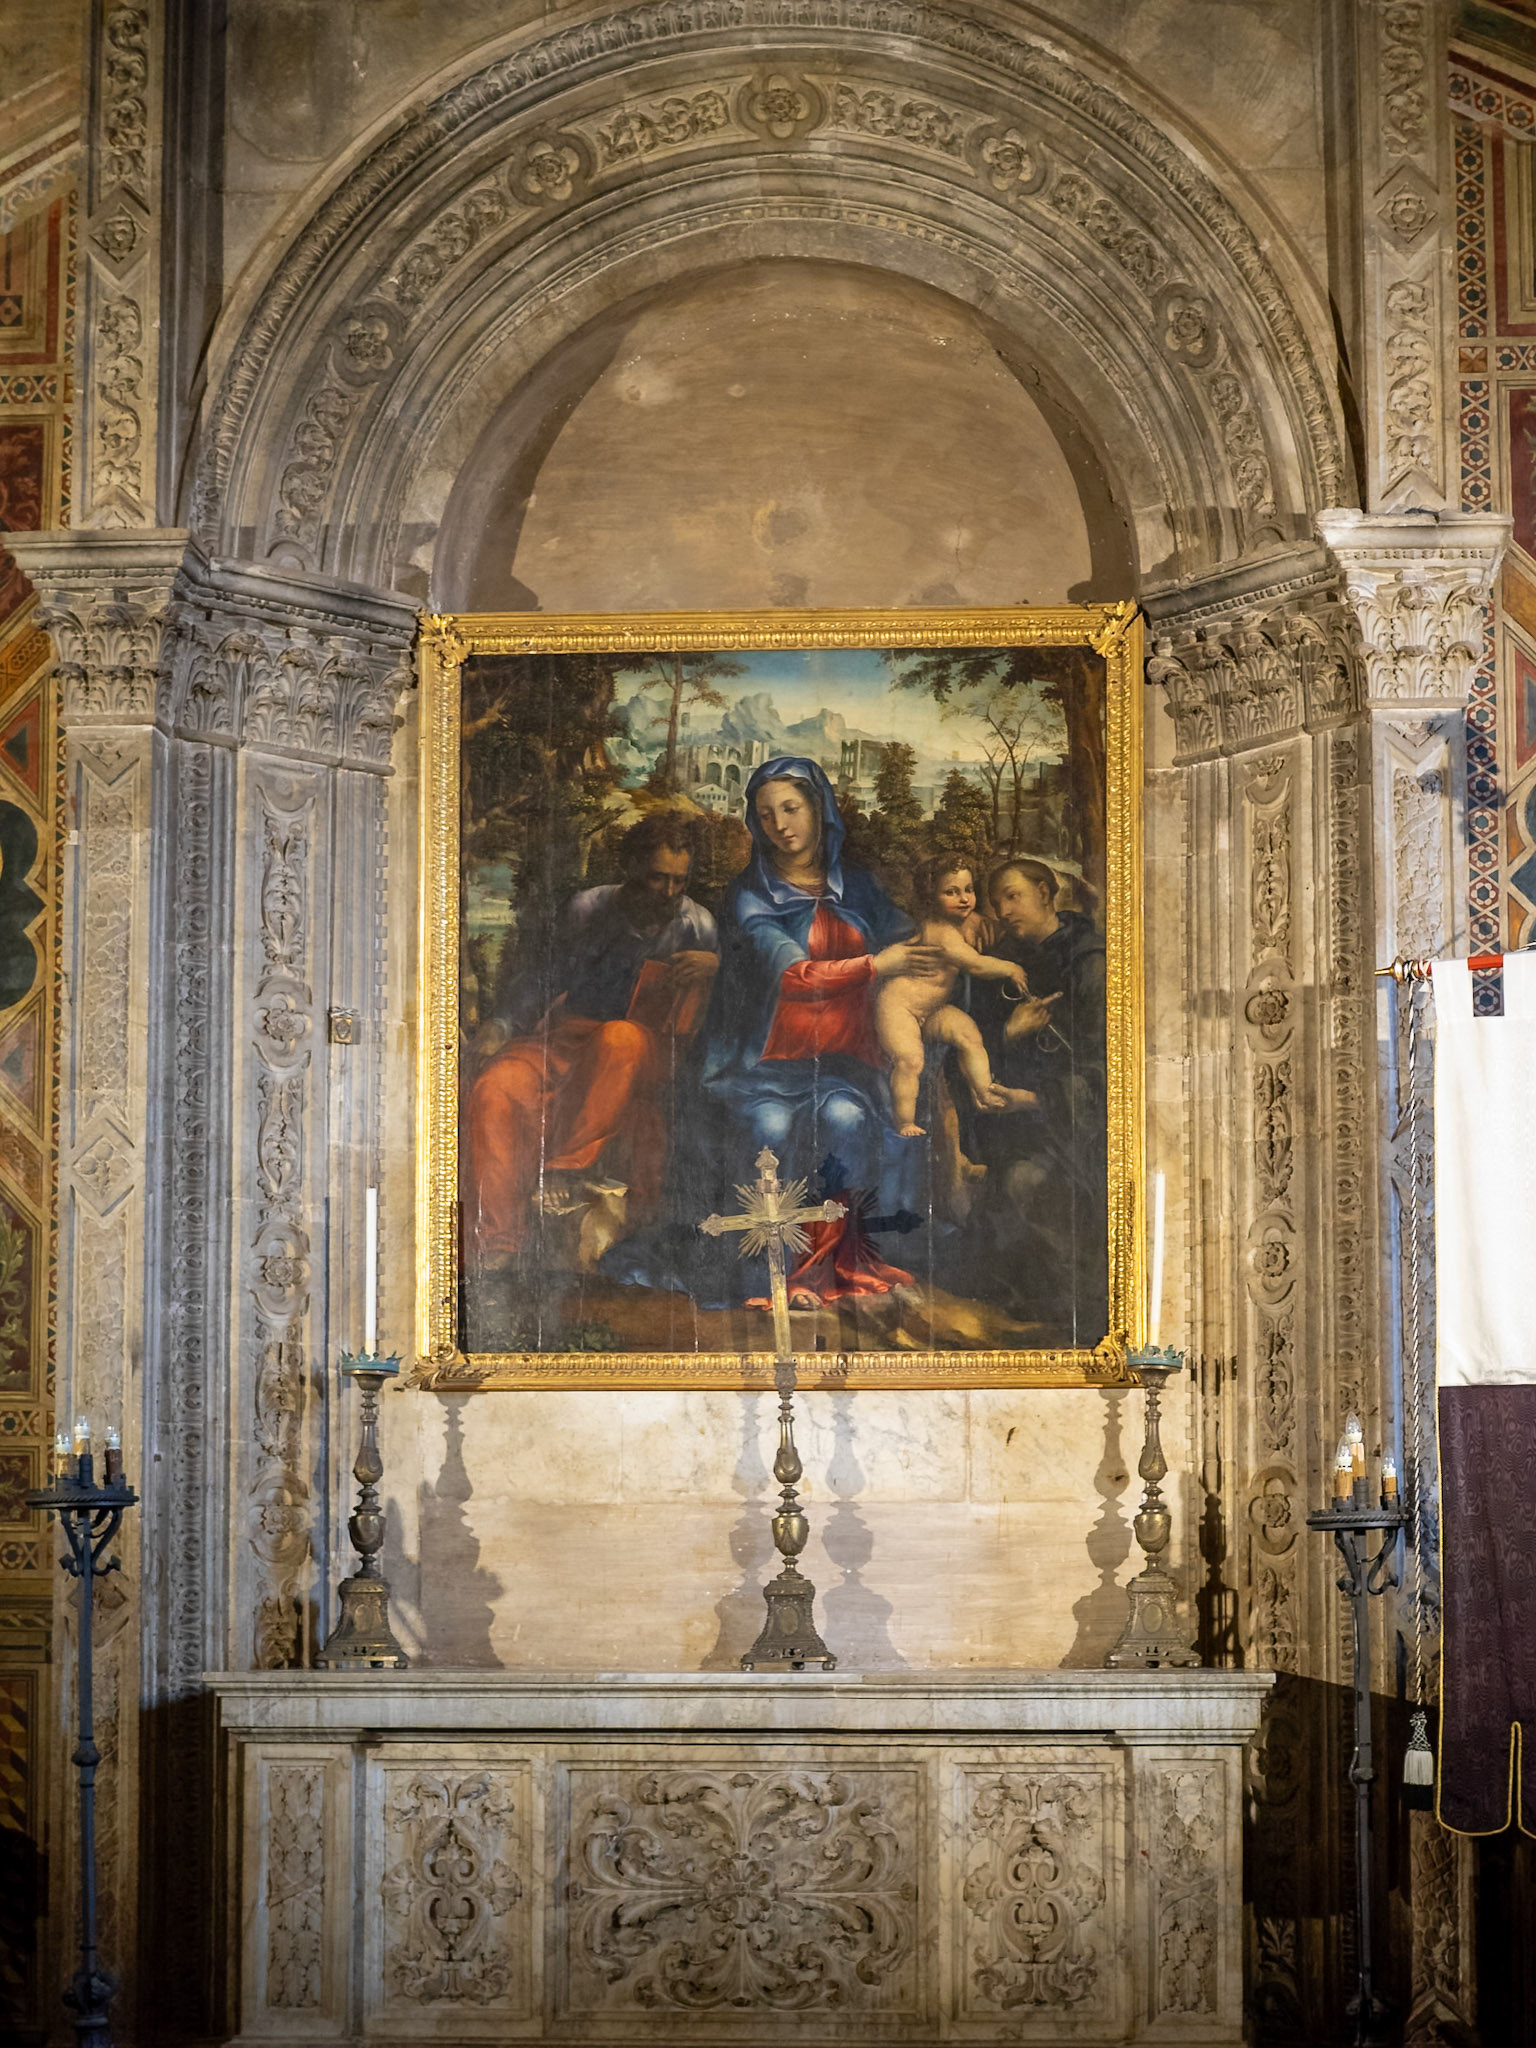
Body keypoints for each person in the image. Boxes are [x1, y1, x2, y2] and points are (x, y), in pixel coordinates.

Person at [613, 756, 944, 1309]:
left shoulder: (859, 888)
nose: (780, 825)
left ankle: (827, 1270)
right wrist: (876, 966)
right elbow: (795, 977)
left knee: (847, 1118)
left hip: (841, 1062)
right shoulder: (752, 895)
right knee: (769, 1126)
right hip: (761, 1064)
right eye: (765, 816)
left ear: (819, 809)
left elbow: (916, 950)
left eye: (791, 809)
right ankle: (765, 1277)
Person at [462, 814, 718, 1272]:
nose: (669, 892)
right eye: (658, 878)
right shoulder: (588, 908)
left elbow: (714, 1019)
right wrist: (501, 1025)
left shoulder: (697, 925)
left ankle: (565, 1167)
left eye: (679, 881)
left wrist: (714, 968)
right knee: (496, 1087)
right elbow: (545, 976)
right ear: (631, 869)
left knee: (619, 1038)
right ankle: (499, 1242)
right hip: (566, 1037)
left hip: (646, 1049)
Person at [958, 857, 1108, 1339]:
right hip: (1018, 1127)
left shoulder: (1089, 959)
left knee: (1028, 1184)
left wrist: (1035, 1099)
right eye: (995, 900)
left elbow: (1108, 1069)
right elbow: (966, 1045)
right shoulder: (1001, 963)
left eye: (1013, 895)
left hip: (1078, 1133)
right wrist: (1008, 1030)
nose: (1002, 909)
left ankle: (1080, 1308)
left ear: (1046, 892)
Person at [874, 855, 1036, 1137]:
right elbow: (974, 964)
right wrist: (1010, 968)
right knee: (910, 1060)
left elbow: (987, 930)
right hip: (899, 1008)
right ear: (931, 898)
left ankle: (985, 1092)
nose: (964, 899)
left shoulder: (964, 923)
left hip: (932, 1009)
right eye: (952, 892)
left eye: (969, 890)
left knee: (968, 1033)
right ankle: (905, 1122)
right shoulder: (938, 930)